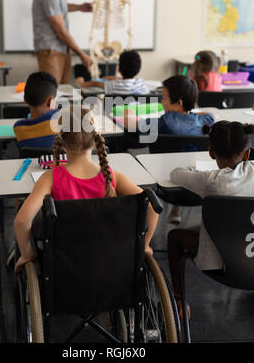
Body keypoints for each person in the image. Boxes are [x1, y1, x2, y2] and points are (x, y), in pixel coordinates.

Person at [14, 108, 159, 272]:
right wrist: (145, 246)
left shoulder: (50, 177)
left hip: (66, 261)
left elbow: (21, 221)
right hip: (112, 259)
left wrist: (27, 255)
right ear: (96, 137)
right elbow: (153, 208)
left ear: (62, 140)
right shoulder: (112, 177)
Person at [167, 121, 254, 317]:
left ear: (211, 152)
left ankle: (180, 302)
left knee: (174, 236)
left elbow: (175, 174)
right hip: (251, 259)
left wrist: (195, 170)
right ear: (248, 153)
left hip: (218, 265)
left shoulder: (209, 181)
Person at [124, 75, 218, 224]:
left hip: (165, 184)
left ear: (179, 102)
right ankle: (176, 211)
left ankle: (170, 212)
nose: (161, 102)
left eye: (164, 98)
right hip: (200, 188)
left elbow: (131, 125)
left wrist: (129, 113)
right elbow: (212, 114)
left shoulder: (163, 123)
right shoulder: (206, 122)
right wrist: (189, 114)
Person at [32, 0, 93, 84]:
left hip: (62, 50)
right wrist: (82, 54)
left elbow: (59, 8)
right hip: (50, 52)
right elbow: (59, 29)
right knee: (51, 97)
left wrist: (79, 7)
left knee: (63, 97)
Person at [13, 71, 60, 149]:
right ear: (50, 100)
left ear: (24, 99)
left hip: (33, 161)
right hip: (62, 160)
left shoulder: (19, 128)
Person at [75, 50, 149, 95]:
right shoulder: (141, 83)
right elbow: (127, 82)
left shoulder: (113, 85)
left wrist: (81, 83)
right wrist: (116, 78)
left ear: (119, 69)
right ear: (138, 69)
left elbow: (95, 83)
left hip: (116, 117)